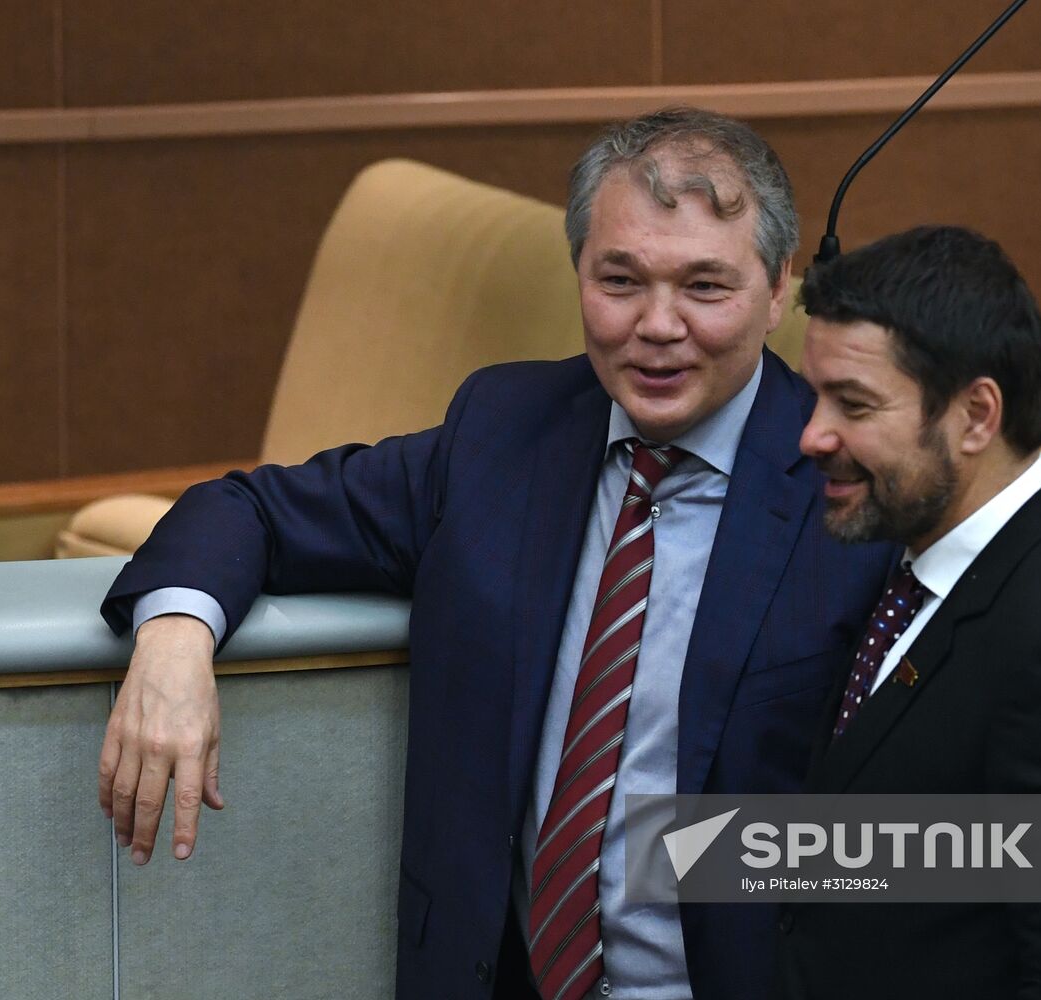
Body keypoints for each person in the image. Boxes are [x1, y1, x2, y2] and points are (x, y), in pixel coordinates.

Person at [96, 107, 893, 1000]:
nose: (658, 325)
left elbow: (987, 832)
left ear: (779, 288)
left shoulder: (863, 488)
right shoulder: (502, 435)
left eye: (706, 287)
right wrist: (172, 639)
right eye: (620, 279)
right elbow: (249, 509)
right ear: (579, 273)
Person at [778, 225, 1041, 999]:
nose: (813, 435)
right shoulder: (909, 563)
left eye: (854, 404)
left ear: (975, 416)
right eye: (814, 398)